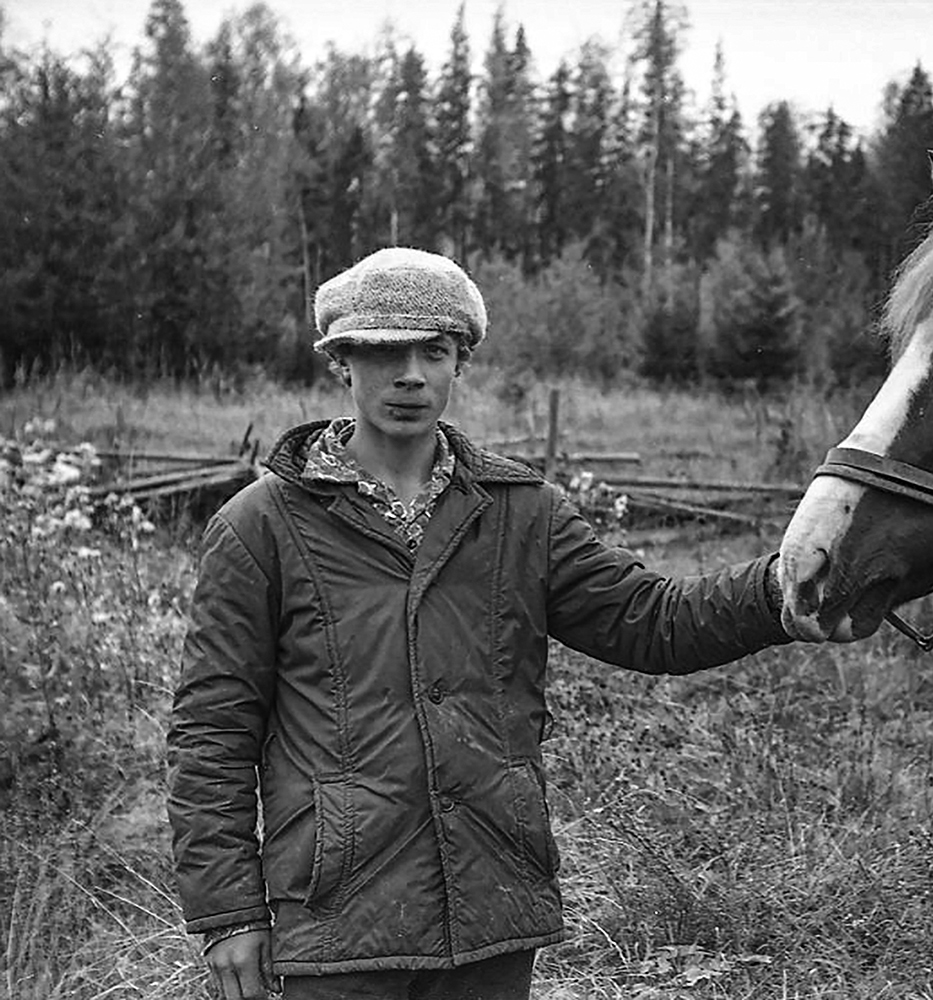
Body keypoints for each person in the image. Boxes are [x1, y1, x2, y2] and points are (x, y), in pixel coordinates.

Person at [166, 247, 795, 1000]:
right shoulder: (261, 526)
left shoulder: (522, 514)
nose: (410, 375)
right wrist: (229, 913)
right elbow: (212, 730)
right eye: (382, 351)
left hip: (490, 906)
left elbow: (651, 622)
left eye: (433, 350)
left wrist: (789, 586)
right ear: (341, 362)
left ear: (460, 360)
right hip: (335, 925)